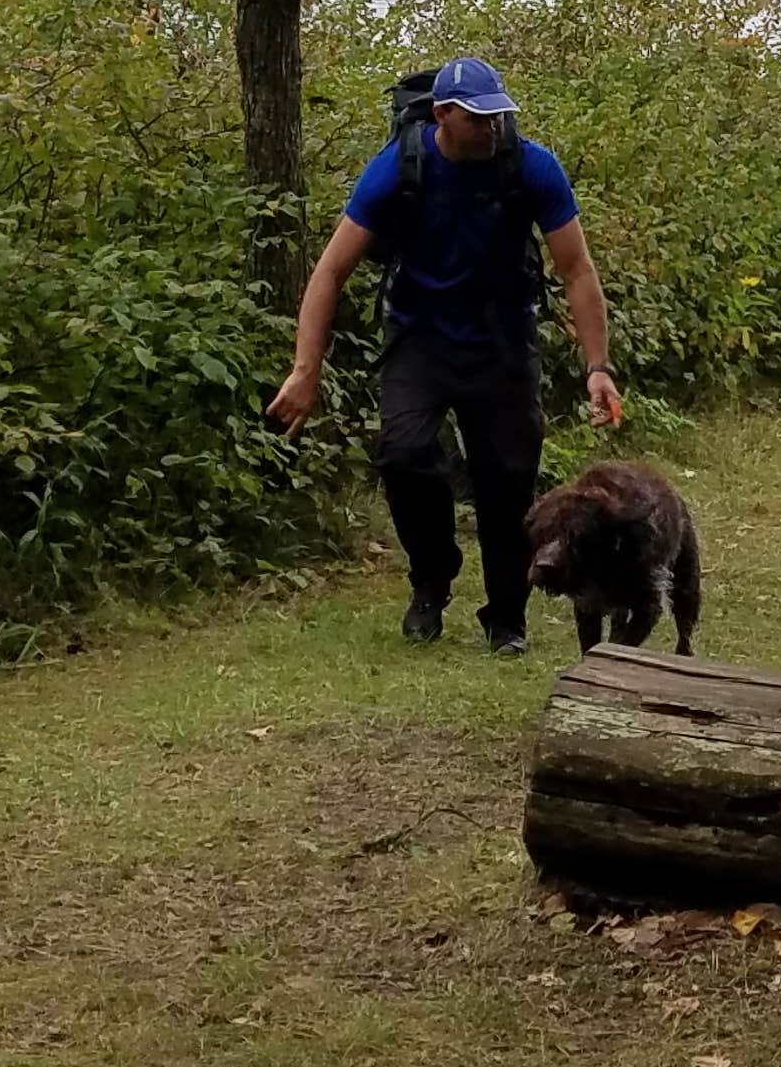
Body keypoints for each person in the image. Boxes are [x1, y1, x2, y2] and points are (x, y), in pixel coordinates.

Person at [265, 55, 620, 651]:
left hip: (503, 344)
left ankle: (507, 617)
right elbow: (330, 271)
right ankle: (431, 580)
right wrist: (306, 371)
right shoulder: (397, 169)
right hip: (419, 340)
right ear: (442, 116)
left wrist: (598, 367)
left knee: (507, 482)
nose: (492, 129)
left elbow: (576, 269)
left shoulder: (530, 167)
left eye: (498, 117)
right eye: (478, 119)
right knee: (403, 454)